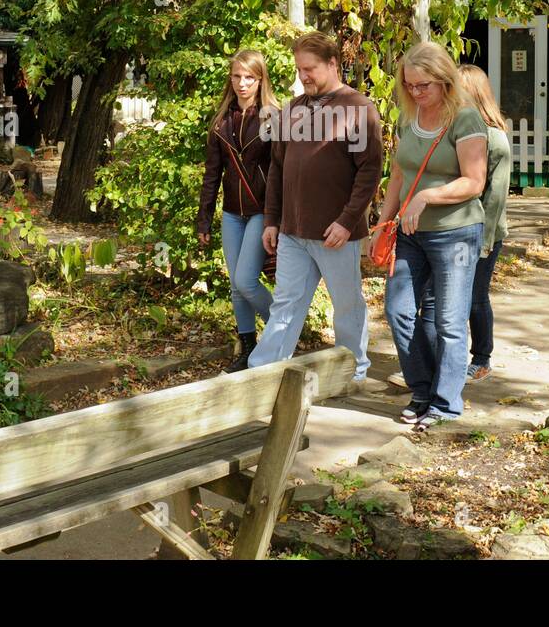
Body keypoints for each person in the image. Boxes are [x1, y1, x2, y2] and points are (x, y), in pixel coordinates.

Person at [244, 32, 383, 381]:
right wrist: (272, 220)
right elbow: (278, 167)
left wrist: (347, 221)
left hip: (336, 233)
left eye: (310, 69)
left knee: (347, 307)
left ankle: (352, 371)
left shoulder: (358, 108)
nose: (303, 76)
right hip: (292, 231)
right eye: (299, 70)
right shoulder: (292, 110)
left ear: (333, 63)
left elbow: (370, 171)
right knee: (285, 305)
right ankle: (263, 373)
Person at [380, 43, 488, 432]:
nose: (415, 93)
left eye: (423, 85)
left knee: (449, 321)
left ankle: (445, 406)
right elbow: (398, 173)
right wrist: (383, 220)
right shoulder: (408, 118)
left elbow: (474, 183)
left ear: (444, 81)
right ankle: (422, 389)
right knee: (398, 310)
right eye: (408, 85)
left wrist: (428, 196)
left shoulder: (465, 120)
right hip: (410, 233)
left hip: (455, 232)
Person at [418, 65, 510, 384]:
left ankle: (481, 358)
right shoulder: (454, 131)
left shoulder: (495, 139)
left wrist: (484, 241)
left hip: (482, 234)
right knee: (438, 297)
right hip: (448, 231)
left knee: (474, 297)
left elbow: (495, 196)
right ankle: (437, 362)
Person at [197, 50, 279, 373]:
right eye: (237, 77)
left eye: (249, 77)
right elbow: (211, 174)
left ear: (260, 80)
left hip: (261, 211)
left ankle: (280, 324)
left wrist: (276, 217)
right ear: (230, 80)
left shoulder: (273, 118)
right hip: (231, 213)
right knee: (236, 284)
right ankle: (247, 347)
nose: (242, 83)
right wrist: (204, 218)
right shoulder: (221, 122)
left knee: (246, 281)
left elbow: (279, 171)